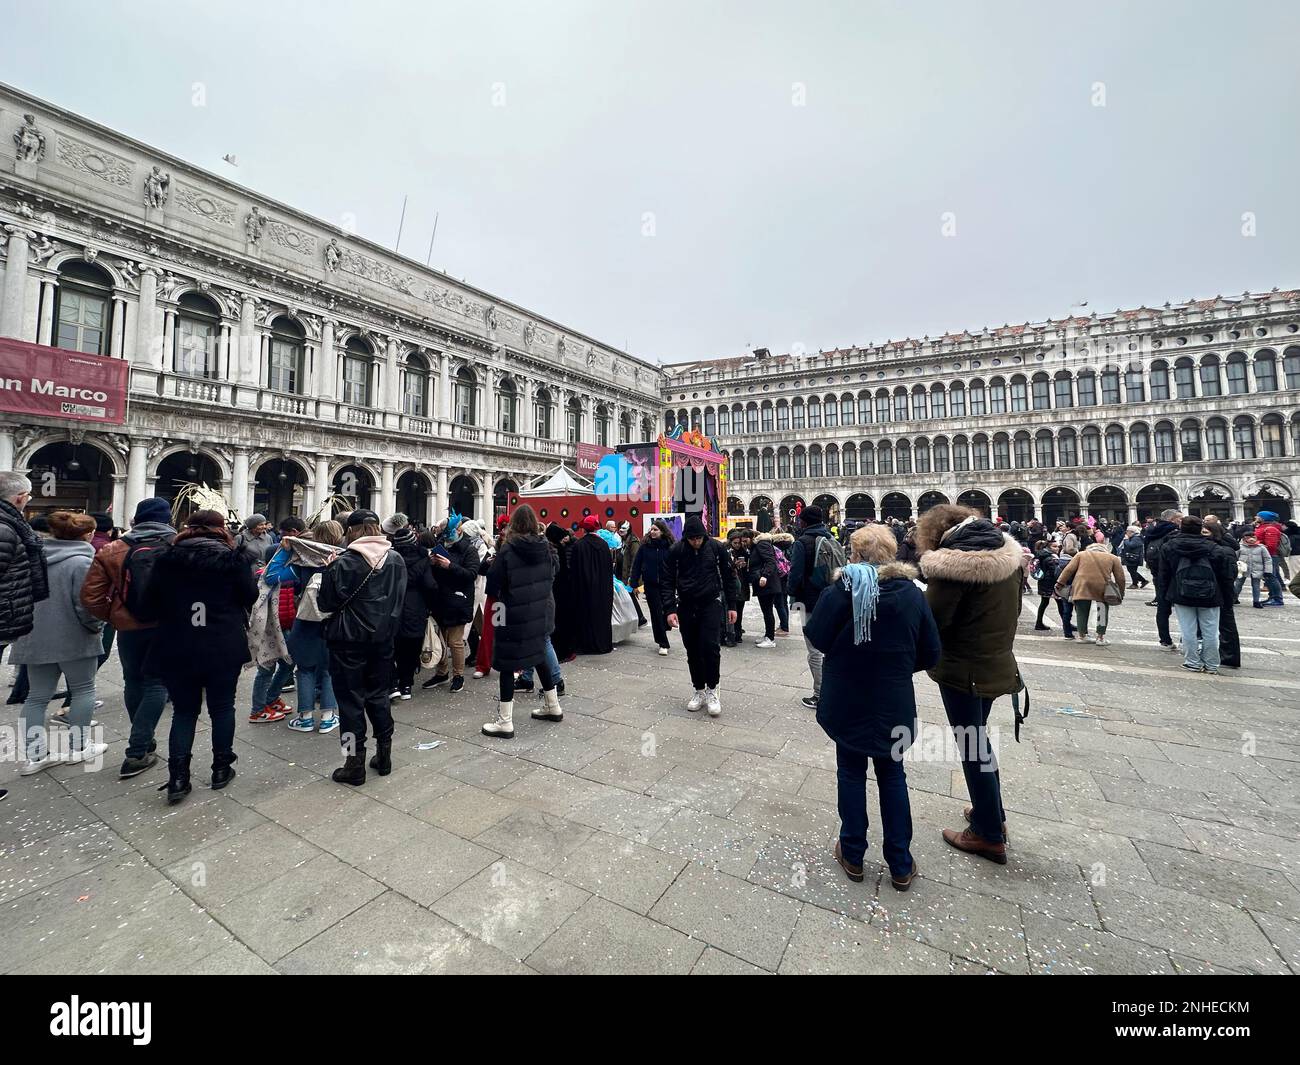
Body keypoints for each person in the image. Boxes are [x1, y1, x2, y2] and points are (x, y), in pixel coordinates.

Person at [805, 524, 940, 889]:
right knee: (892, 775)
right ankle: (899, 862)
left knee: (850, 773)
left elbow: (816, 635)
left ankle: (852, 854)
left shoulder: (841, 590)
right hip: (891, 701)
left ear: (857, 555)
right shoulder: (911, 596)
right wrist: (895, 666)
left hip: (846, 698)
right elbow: (930, 652)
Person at [917, 505, 1024, 865]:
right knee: (980, 740)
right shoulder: (1008, 558)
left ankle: (988, 835)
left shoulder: (954, 568)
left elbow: (934, 622)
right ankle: (991, 813)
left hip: (964, 668)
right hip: (996, 662)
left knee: (972, 746)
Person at [140, 510, 258, 803]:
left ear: (187, 529)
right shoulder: (234, 560)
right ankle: (221, 769)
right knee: (222, 707)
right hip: (222, 644)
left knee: (184, 711)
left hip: (178, 644)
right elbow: (250, 596)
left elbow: (148, 603)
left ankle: (178, 778)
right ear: (222, 530)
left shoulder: (166, 559)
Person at [80, 496, 177, 777]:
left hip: (130, 628)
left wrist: (115, 616)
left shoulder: (114, 549)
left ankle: (142, 742)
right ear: (166, 519)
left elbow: (91, 596)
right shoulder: (178, 545)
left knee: (133, 680)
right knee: (157, 682)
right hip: (167, 626)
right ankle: (138, 749)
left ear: (136, 519)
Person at [11, 512, 107, 775]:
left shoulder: (31, 559)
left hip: (34, 635)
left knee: (36, 697)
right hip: (74, 636)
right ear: (86, 535)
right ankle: (79, 747)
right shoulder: (81, 562)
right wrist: (96, 627)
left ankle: (35, 756)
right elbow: (86, 606)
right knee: (84, 690)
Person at [318, 509, 407, 785]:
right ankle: (384, 755)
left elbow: (325, 604)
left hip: (347, 641)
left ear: (352, 531)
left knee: (349, 702)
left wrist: (329, 570)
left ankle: (353, 763)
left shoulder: (343, 562)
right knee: (379, 695)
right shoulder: (395, 558)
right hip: (382, 641)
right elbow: (398, 601)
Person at [482, 504, 564, 738]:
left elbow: (494, 586)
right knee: (539, 657)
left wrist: (497, 619)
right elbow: (552, 574)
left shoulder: (508, 550)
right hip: (539, 613)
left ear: (514, 525)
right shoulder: (547, 548)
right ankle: (553, 706)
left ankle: (505, 721)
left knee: (507, 664)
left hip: (512, 614)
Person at [265, 521, 344, 732]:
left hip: (306, 621)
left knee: (305, 669)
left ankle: (305, 717)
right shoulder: (345, 560)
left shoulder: (302, 563)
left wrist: (284, 551)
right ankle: (328, 717)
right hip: (334, 622)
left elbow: (271, 576)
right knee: (329, 670)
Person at [662, 516, 739, 717]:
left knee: (711, 647)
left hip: (710, 603)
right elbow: (667, 581)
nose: (696, 541)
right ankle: (698, 689)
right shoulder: (676, 551)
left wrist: (732, 605)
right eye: (692, 538)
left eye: (699, 538)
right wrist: (670, 609)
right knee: (692, 649)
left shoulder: (716, 548)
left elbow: (730, 576)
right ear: (686, 537)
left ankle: (713, 689)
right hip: (686, 605)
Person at [1158, 516, 1233, 674]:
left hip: (1181, 593)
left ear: (1181, 527)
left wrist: (1163, 596)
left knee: (1187, 630)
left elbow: (1163, 574)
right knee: (1211, 631)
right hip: (1211, 594)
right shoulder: (1214, 548)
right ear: (1201, 528)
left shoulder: (1169, 546)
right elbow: (1225, 575)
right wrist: (1227, 596)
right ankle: (1212, 664)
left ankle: (1192, 662)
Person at [787, 505, 842, 709]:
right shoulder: (831, 539)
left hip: (807, 601)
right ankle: (836, 690)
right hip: (831, 598)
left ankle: (820, 694)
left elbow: (795, 574)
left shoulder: (802, 542)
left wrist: (791, 592)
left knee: (814, 650)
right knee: (830, 646)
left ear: (804, 521)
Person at [422, 514, 479, 693]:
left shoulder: (469, 550)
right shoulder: (440, 545)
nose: (445, 536)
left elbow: (471, 575)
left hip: (458, 600)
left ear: (459, 531)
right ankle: (442, 672)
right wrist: (431, 563)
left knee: (455, 641)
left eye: (448, 533)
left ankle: (458, 675)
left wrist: (449, 566)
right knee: (440, 639)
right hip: (440, 600)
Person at [384, 513, 437, 699]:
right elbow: (430, 586)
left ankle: (392, 684)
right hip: (416, 607)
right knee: (411, 647)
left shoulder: (389, 559)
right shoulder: (423, 560)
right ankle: (406, 685)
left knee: (392, 646)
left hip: (392, 607)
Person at [1054, 541, 1124, 645]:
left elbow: (1068, 570)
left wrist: (1060, 583)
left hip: (1082, 584)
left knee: (1082, 610)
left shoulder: (1081, 554)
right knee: (1102, 611)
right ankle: (1100, 637)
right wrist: (1120, 592)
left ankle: (1082, 636)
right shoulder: (1113, 558)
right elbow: (1120, 577)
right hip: (1103, 586)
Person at [568, 515, 614, 655]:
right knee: (602, 616)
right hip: (603, 589)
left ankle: (586, 645)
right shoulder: (604, 545)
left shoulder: (579, 545)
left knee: (585, 615)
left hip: (584, 589)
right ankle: (603, 643)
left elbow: (574, 570)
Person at [632, 519, 674, 655]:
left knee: (667, 611)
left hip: (668, 585)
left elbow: (677, 564)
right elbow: (636, 565)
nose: (653, 532)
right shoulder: (645, 546)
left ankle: (664, 628)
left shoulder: (670, 546)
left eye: (656, 529)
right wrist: (633, 584)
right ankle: (663, 643)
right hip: (651, 586)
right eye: (651, 529)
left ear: (662, 531)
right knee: (656, 614)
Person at [1204, 520, 1241, 670]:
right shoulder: (1209, 548)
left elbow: (1230, 574)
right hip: (1210, 589)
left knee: (1226, 623)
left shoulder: (1225, 550)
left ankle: (1230, 656)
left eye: (1206, 532)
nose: (1202, 536)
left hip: (1222, 590)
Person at [1144, 508, 1183, 647]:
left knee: (1163, 608)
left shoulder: (1151, 531)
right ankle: (1187, 640)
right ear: (1172, 519)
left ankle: (1164, 639)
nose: (1181, 521)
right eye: (1180, 518)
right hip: (1174, 575)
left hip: (1158, 574)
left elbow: (1146, 551)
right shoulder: (1175, 533)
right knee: (1184, 609)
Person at [750, 531, 785, 647]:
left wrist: (764, 575)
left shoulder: (762, 544)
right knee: (766, 611)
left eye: (745, 540)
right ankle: (767, 636)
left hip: (767, 583)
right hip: (765, 583)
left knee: (768, 611)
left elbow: (770, 561)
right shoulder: (759, 545)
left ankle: (770, 638)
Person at [1254, 510, 1287, 606]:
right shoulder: (1264, 527)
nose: (1255, 517)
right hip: (1266, 556)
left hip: (1270, 556)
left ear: (1263, 518)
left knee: (1272, 577)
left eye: (1258, 516)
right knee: (1269, 577)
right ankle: (1272, 596)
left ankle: (1277, 599)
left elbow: (1271, 545)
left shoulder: (1270, 529)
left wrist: (1256, 544)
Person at [726, 528, 750, 646]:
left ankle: (738, 633)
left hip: (742, 584)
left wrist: (744, 566)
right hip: (733, 584)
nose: (737, 545)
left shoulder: (745, 553)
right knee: (732, 609)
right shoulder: (727, 552)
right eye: (735, 543)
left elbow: (747, 571)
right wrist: (733, 566)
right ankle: (732, 633)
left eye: (739, 543)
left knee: (739, 610)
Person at [1239, 533, 1271, 608]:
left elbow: (1267, 559)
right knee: (1238, 584)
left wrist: (1268, 571)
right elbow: (1235, 557)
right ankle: (1234, 598)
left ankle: (1256, 601)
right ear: (1244, 538)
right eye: (1248, 537)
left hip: (1257, 569)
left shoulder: (1261, 548)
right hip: (1242, 569)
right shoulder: (1240, 547)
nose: (1251, 539)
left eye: (1253, 537)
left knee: (1256, 585)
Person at [1030, 540, 1056, 630]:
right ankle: (1067, 625)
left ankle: (1039, 622)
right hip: (1050, 583)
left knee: (1044, 602)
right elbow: (1054, 572)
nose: (1057, 548)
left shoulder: (1041, 555)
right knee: (1060, 603)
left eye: (1058, 546)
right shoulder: (1050, 558)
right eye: (1054, 546)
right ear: (1048, 547)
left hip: (1043, 582)